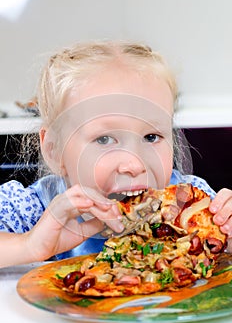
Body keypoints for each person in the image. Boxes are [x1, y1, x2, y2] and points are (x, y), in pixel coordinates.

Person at [0, 40, 231, 268]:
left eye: (151, 137)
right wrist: (29, 245)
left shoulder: (192, 207)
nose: (134, 164)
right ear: (54, 150)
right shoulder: (31, 208)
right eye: (104, 139)